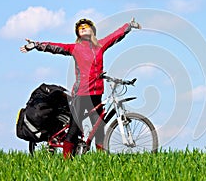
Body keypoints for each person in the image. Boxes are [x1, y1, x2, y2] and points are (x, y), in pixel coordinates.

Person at [20, 17, 141, 159]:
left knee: (99, 129)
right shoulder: (75, 48)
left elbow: (115, 36)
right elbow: (55, 47)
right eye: (80, 28)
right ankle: (67, 162)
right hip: (81, 94)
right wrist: (36, 45)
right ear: (78, 33)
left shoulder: (100, 45)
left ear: (93, 31)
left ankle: (101, 160)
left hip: (97, 93)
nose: (83, 28)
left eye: (86, 26)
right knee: (74, 128)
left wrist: (128, 26)